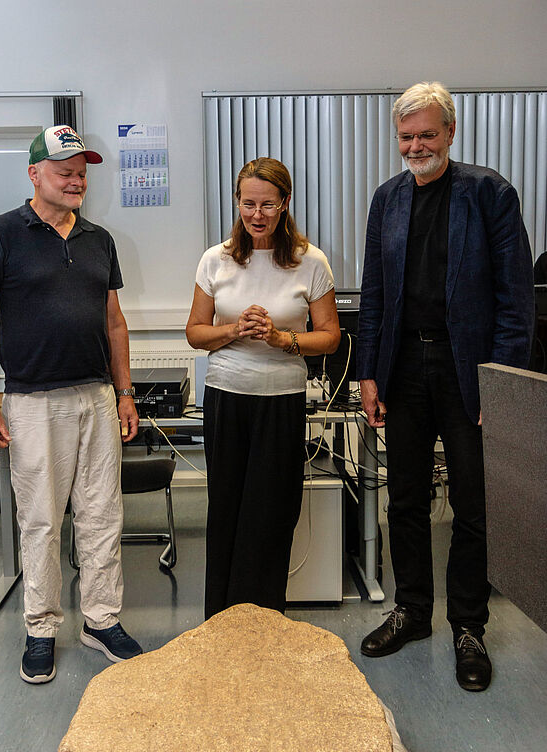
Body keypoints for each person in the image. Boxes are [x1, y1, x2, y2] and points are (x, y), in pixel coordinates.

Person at [357, 83, 534, 691]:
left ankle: (468, 625)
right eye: (406, 137)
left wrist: (501, 383)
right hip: (404, 369)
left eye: (427, 134)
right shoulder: (388, 200)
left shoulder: (489, 194)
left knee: (472, 505)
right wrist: (369, 372)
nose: (416, 146)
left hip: (469, 372)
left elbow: (517, 297)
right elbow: (375, 293)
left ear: (450, 133)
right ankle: (411, 610)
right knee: (404, 497)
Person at [0, 125, 143, 684]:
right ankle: (41, 628)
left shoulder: (98, 239)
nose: (76, 180)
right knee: (41, 520)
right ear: (34, 174)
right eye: (64, 170)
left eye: (81, 171)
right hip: (33, 401)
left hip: (94, 396)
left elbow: (114, 322)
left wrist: (125, 391)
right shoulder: (1, 234)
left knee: (101, 515)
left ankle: (101, 620)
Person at [186, 157, 340, 619]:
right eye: (248, 203)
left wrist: (280, 339)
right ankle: (222, 619)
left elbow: (330, 335)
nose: (256, 214)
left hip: (281, 401)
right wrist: (235, 330)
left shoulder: (310, 262)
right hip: (227, 398)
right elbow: (195, 332)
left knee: (271, 515)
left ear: (285, 204)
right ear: (237, 203)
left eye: (267, 205)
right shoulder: (216, 260)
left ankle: (265, 621)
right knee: (227, 510)